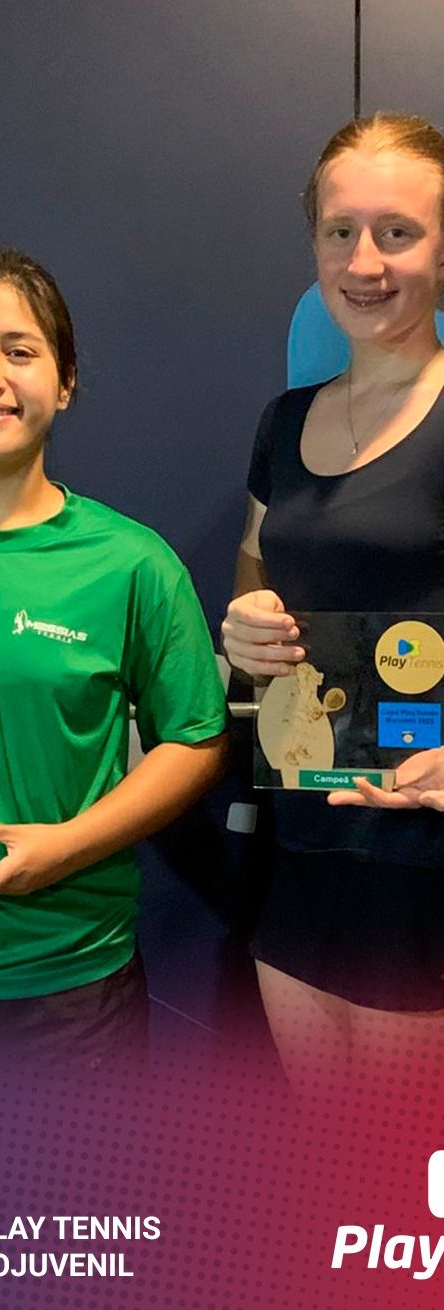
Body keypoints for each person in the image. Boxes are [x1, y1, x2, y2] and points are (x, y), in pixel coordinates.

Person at [0, 246, 228, 1070]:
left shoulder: (130, 564)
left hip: (61, 984)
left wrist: (67, 847)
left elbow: (194, 739)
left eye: (20, 350)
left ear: (64, 383)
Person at [221, 112, 444, 1096]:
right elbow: (254, 570)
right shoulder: (283, 423)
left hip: (423, 864)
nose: (363, 262)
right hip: (301, 846)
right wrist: (246, 627)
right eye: (339, 231)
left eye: (397, 232)